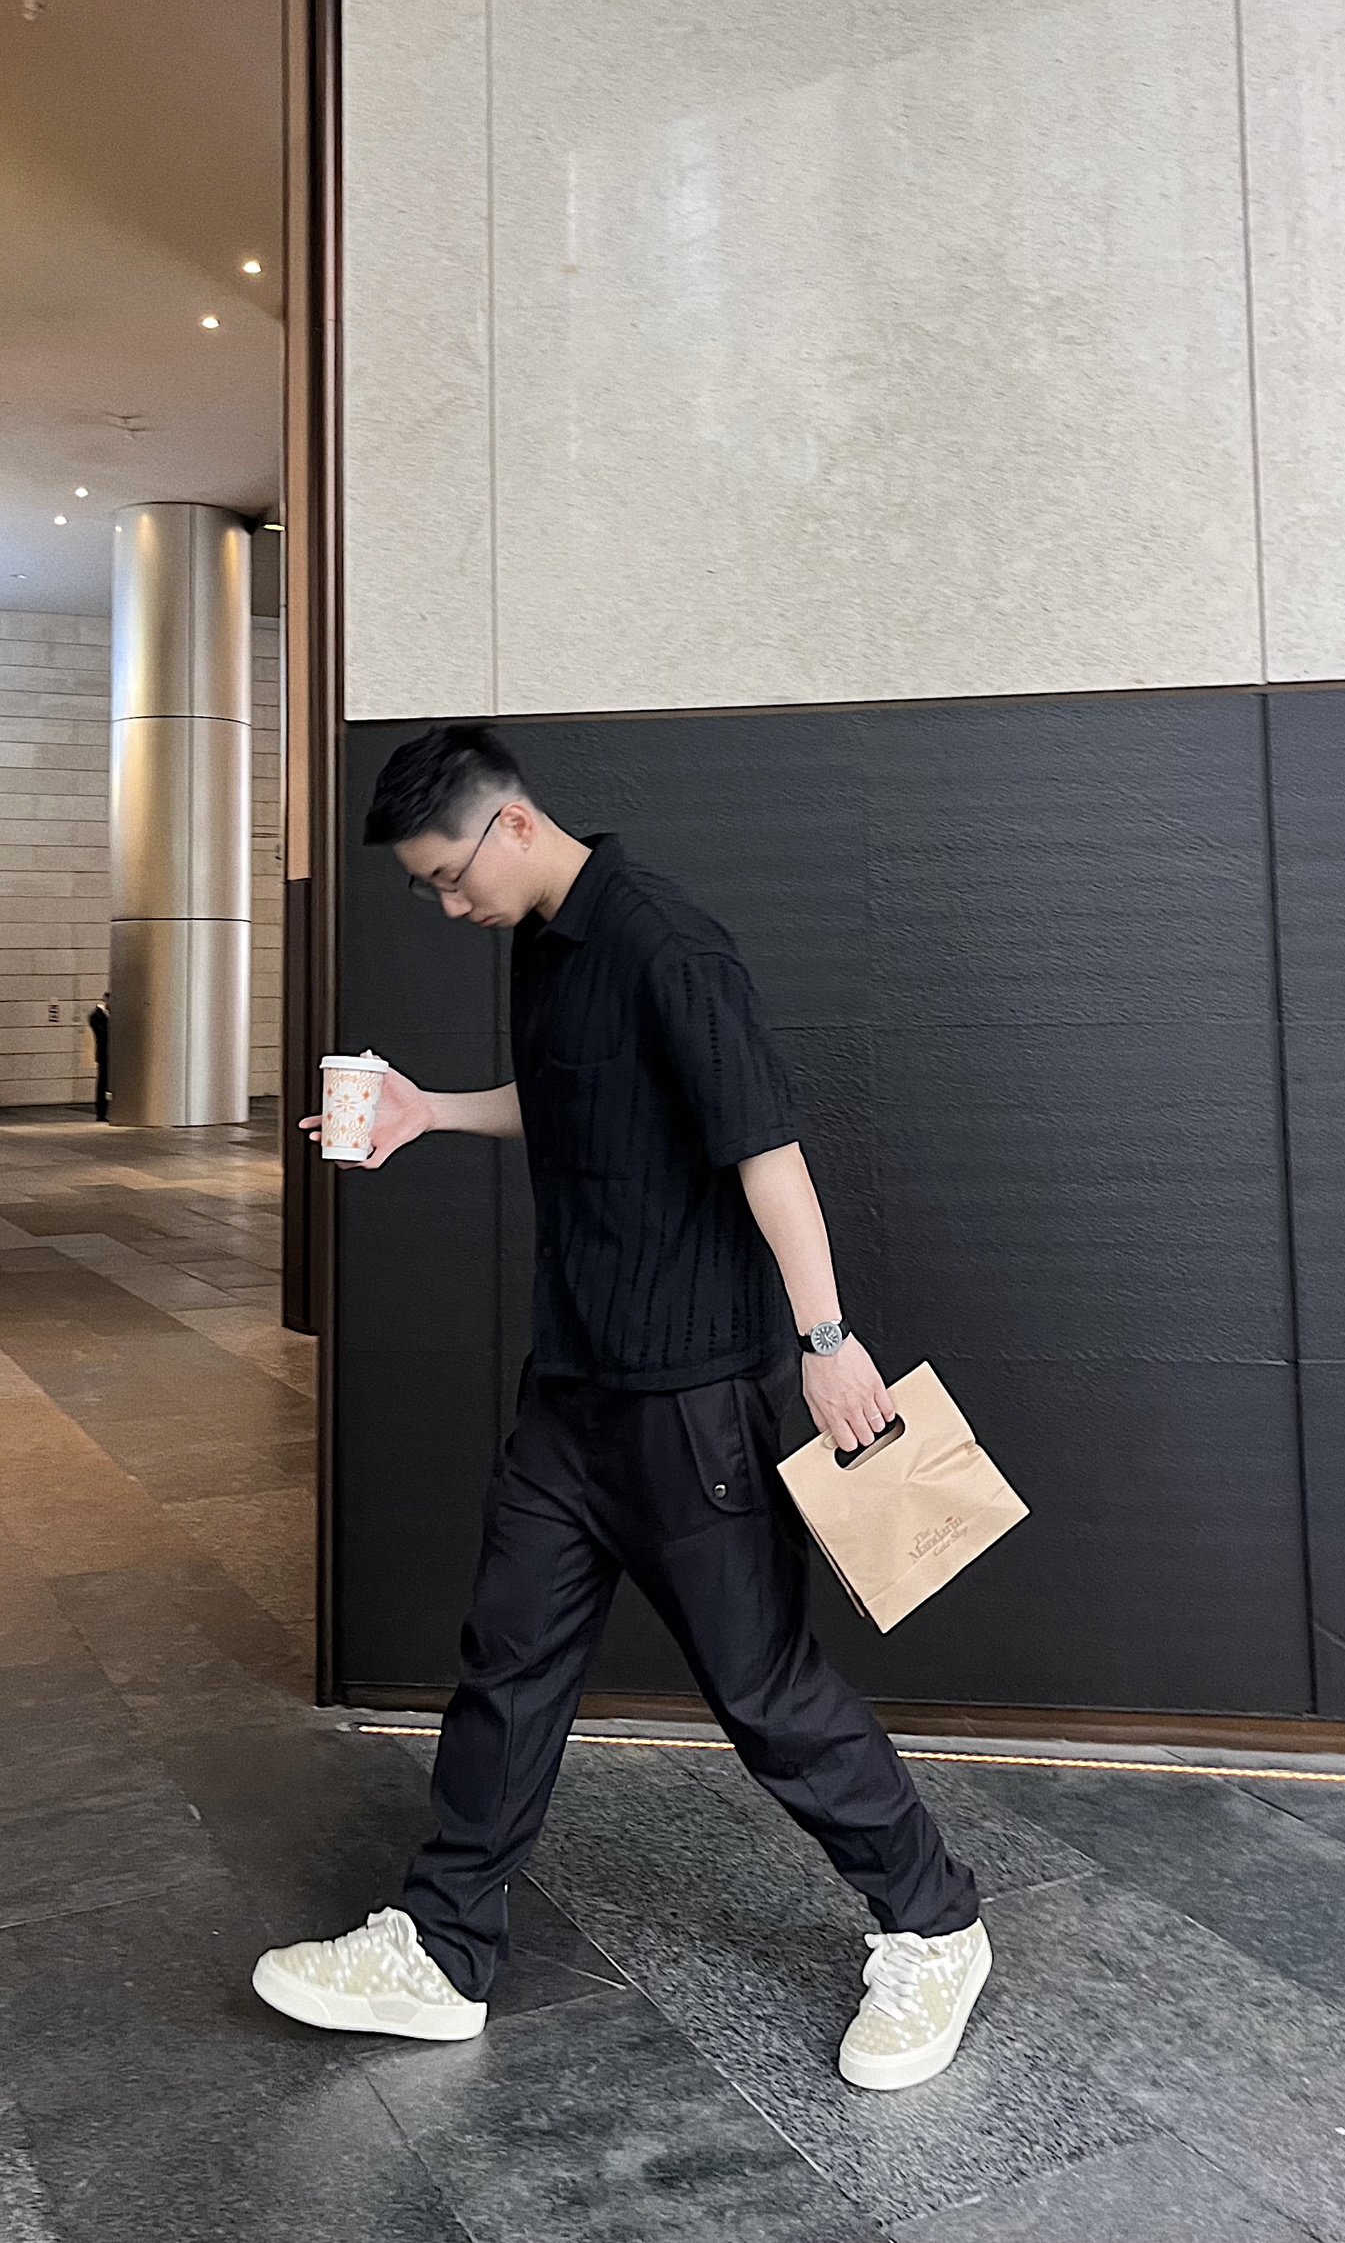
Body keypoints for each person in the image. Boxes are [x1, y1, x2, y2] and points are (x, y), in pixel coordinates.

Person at [253, 725, 989, 2091]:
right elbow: (571, 1104)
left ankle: (935, 1924)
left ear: (513, 825)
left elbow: (766, 1147)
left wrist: (826, 1340)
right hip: (569, 1393)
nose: (448, 907)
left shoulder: (666, 943)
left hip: (689, 1403)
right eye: (428, 889)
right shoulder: (542, 944)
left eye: (449, 878)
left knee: (765, 1692)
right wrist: (426, 1113)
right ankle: (442, 1949)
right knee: (507, 1665)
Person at [87, 993, 110, 1122]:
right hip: (104, 1054)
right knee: (103, 1083)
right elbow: (103, 1034)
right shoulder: (97, 1016)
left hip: (111, 1054)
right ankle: (101, 1112)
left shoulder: (107, 1015)